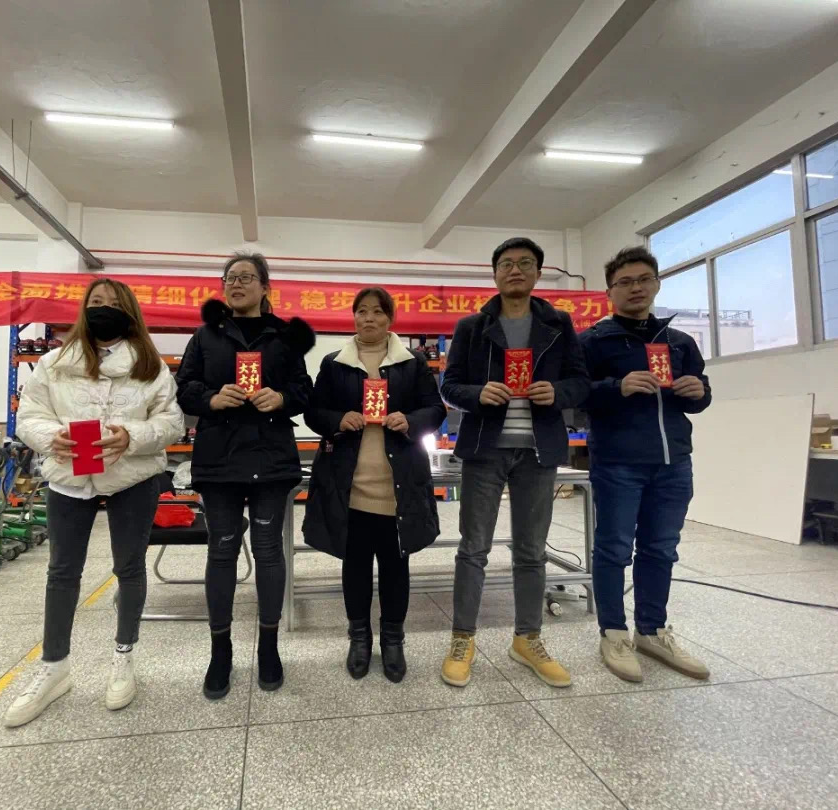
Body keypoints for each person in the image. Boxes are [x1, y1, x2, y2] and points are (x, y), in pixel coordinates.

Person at [6, 278, 184, 728]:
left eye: (114, 304)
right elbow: (29, 415)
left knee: (129, 567)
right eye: (97, 302)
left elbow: (172, 422)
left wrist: (133, 436)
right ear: (84, 309)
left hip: (132, 477)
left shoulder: (149, 366)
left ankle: (124, 657)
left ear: (130, 313)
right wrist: (51, 437)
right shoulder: (54, 363)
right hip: (69, 475)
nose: (104, 309)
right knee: (62, 571)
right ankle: (54, 668)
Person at [439, 237, 589, 690]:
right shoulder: (473, 326)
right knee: (473, 548)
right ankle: (462, 639)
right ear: (495, 274)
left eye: (525, 263)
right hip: (485, 448)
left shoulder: (558, 324)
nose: (515, 270)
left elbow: (580, 382)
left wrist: (557, 393)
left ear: (539, 273)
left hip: (538, 451)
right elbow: (450, 385)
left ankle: (527, 639)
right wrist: (477, 393)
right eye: (506, 264)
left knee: (531, 550)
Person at [175, 252, 315, 700]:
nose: (236, 284)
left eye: (246, 277)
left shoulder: (285, 336)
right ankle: (221, 651)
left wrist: (282, 398)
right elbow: (184, 388)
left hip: (271, 458)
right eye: (230, 278)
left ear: (265, 287)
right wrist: (212, 399)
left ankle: (269, 646)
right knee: (222, 551)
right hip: (220, 459)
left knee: (269, 551)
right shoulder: (205, 336)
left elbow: (304, 390)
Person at [579, 246, 712, 683]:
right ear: (609, 291)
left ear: (656, 284)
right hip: (618, 461)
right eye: (625, 282)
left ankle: (652, 631)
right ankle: (613, 634)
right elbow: (574, 396)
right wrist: (616, 387)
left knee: (661, 548)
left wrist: (699, 392)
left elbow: (700, 397)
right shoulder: (593, 342)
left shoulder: (679, 342)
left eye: (643, 280)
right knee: (614, 548)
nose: (635, 288)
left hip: (673, 462)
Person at [303, 288, 446, 683]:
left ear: (389, 319)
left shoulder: (412, 363)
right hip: (349, 485)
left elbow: (435, 409)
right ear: (353, 317)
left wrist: (411, 421)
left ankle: (394, 640)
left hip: (397, 485)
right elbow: (313, 411)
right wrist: (337, 419)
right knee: (355, 566)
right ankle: (359, 638)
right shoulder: (335, 363)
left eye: (377, 312)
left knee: (396, 566)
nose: (369, 319)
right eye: (362, 311)